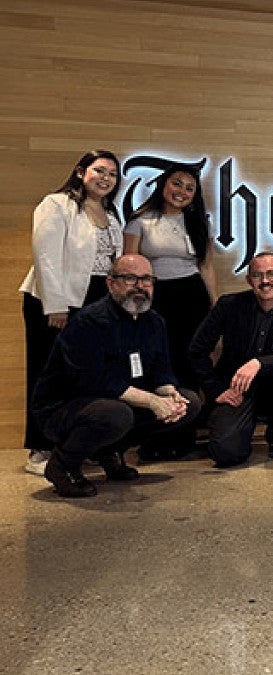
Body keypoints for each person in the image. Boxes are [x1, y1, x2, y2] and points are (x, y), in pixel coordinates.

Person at [31, 255, 200, 498]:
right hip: (63, 408)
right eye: (131, 279)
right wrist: (153, 401)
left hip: (115, 403)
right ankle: (62, 466)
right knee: (116, 414)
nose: (140, 286)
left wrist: (170, 393)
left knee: (189, 402)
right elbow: (95, 381)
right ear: (111, 283)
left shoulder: (155, 322)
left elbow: (160, 370)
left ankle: (110, 452)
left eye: (146, 279)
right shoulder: (90, 322)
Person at [19, 150, 124, 476]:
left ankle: (78, 443)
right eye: (99, 171)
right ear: (81, 172)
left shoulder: (111, 213)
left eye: (112, 174)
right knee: (46, 373)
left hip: (95, 300)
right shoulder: (56, 204)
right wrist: (56, 305)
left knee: (85, 375)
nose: (105, 178)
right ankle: (40, 450)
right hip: (56, 300)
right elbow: (45, 256)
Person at [124, 163, 215, 459]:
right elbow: (129, 264)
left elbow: (207, 267)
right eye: (177, 184)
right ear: (164, 185)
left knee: (190, 364)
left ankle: (184, 435)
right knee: (160, 365)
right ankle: (158, 437)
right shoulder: (140, 221)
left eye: (190, 189)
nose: (182, 192)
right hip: (156, 298)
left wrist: (214, 308)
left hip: (192, 296)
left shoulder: (199, 223)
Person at [189, 252, 273, 466]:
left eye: (271, 274)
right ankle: (241, 427)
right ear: (249, 280)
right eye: (258, 275)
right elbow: (197, 351)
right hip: (235, 390)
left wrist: (259, 363)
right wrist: (216, 390)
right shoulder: (228, 305)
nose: (265, 281)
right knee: (226, 454)